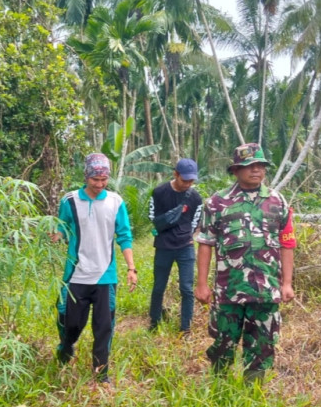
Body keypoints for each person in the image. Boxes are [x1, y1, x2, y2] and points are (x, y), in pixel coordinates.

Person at [194, 143, 296, 384]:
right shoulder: (217, 203)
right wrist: (201, 285)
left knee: (262, 344)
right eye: (249, 166)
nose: (256, 170)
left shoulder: (277, 201)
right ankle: (219, 387)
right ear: (236, 170)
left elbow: (287, 243)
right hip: (229, 288)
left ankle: (253, 392)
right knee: (223, 342)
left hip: (266, 289)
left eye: (260, 165)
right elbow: (206, 243)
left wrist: (288, 283)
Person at [52, 153, 138, 384]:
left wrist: (131, 268)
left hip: (105, 277)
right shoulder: (69, 201)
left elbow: (125, 236)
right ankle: (66, 347)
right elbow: (61, 228)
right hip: (76, 275)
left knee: (104, 328)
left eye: (104, 180)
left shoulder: (115, 201)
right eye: (95, 180)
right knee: (70, 322)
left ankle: (101, 375)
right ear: (86, 177)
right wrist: (54, 235)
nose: (100, 184)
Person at [148, 158, 203, 335]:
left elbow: (196, 222)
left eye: (191, 180)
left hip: (185, 246)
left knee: (187, 288)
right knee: (159, 286)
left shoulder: (195, 197)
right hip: (163, 246)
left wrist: (185, 234)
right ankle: (154, 321)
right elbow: (152, 217)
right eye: (184, 179)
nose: (188, 183)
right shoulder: (159, 192)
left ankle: (185, 328)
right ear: (175, 174)